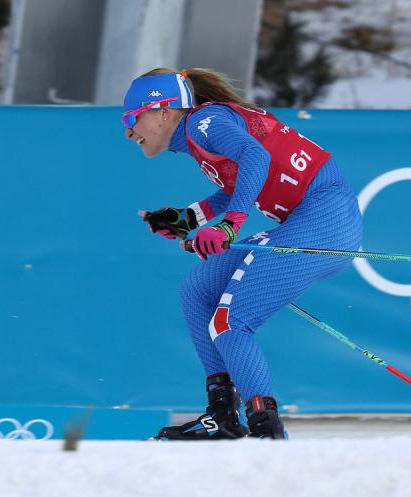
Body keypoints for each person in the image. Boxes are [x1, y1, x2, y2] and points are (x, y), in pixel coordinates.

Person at [122, 68, 363, 440]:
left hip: (325, 217)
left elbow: (255, 156)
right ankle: (221, 414)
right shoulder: (201, 135)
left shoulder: (204, 122)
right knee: (197, 291)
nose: (128, 131)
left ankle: (266, 428)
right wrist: (190, 217)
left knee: (230, 323)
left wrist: (230, 225)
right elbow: (242, 181)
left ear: (164, 110)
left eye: (131, 118)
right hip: (314, 218)